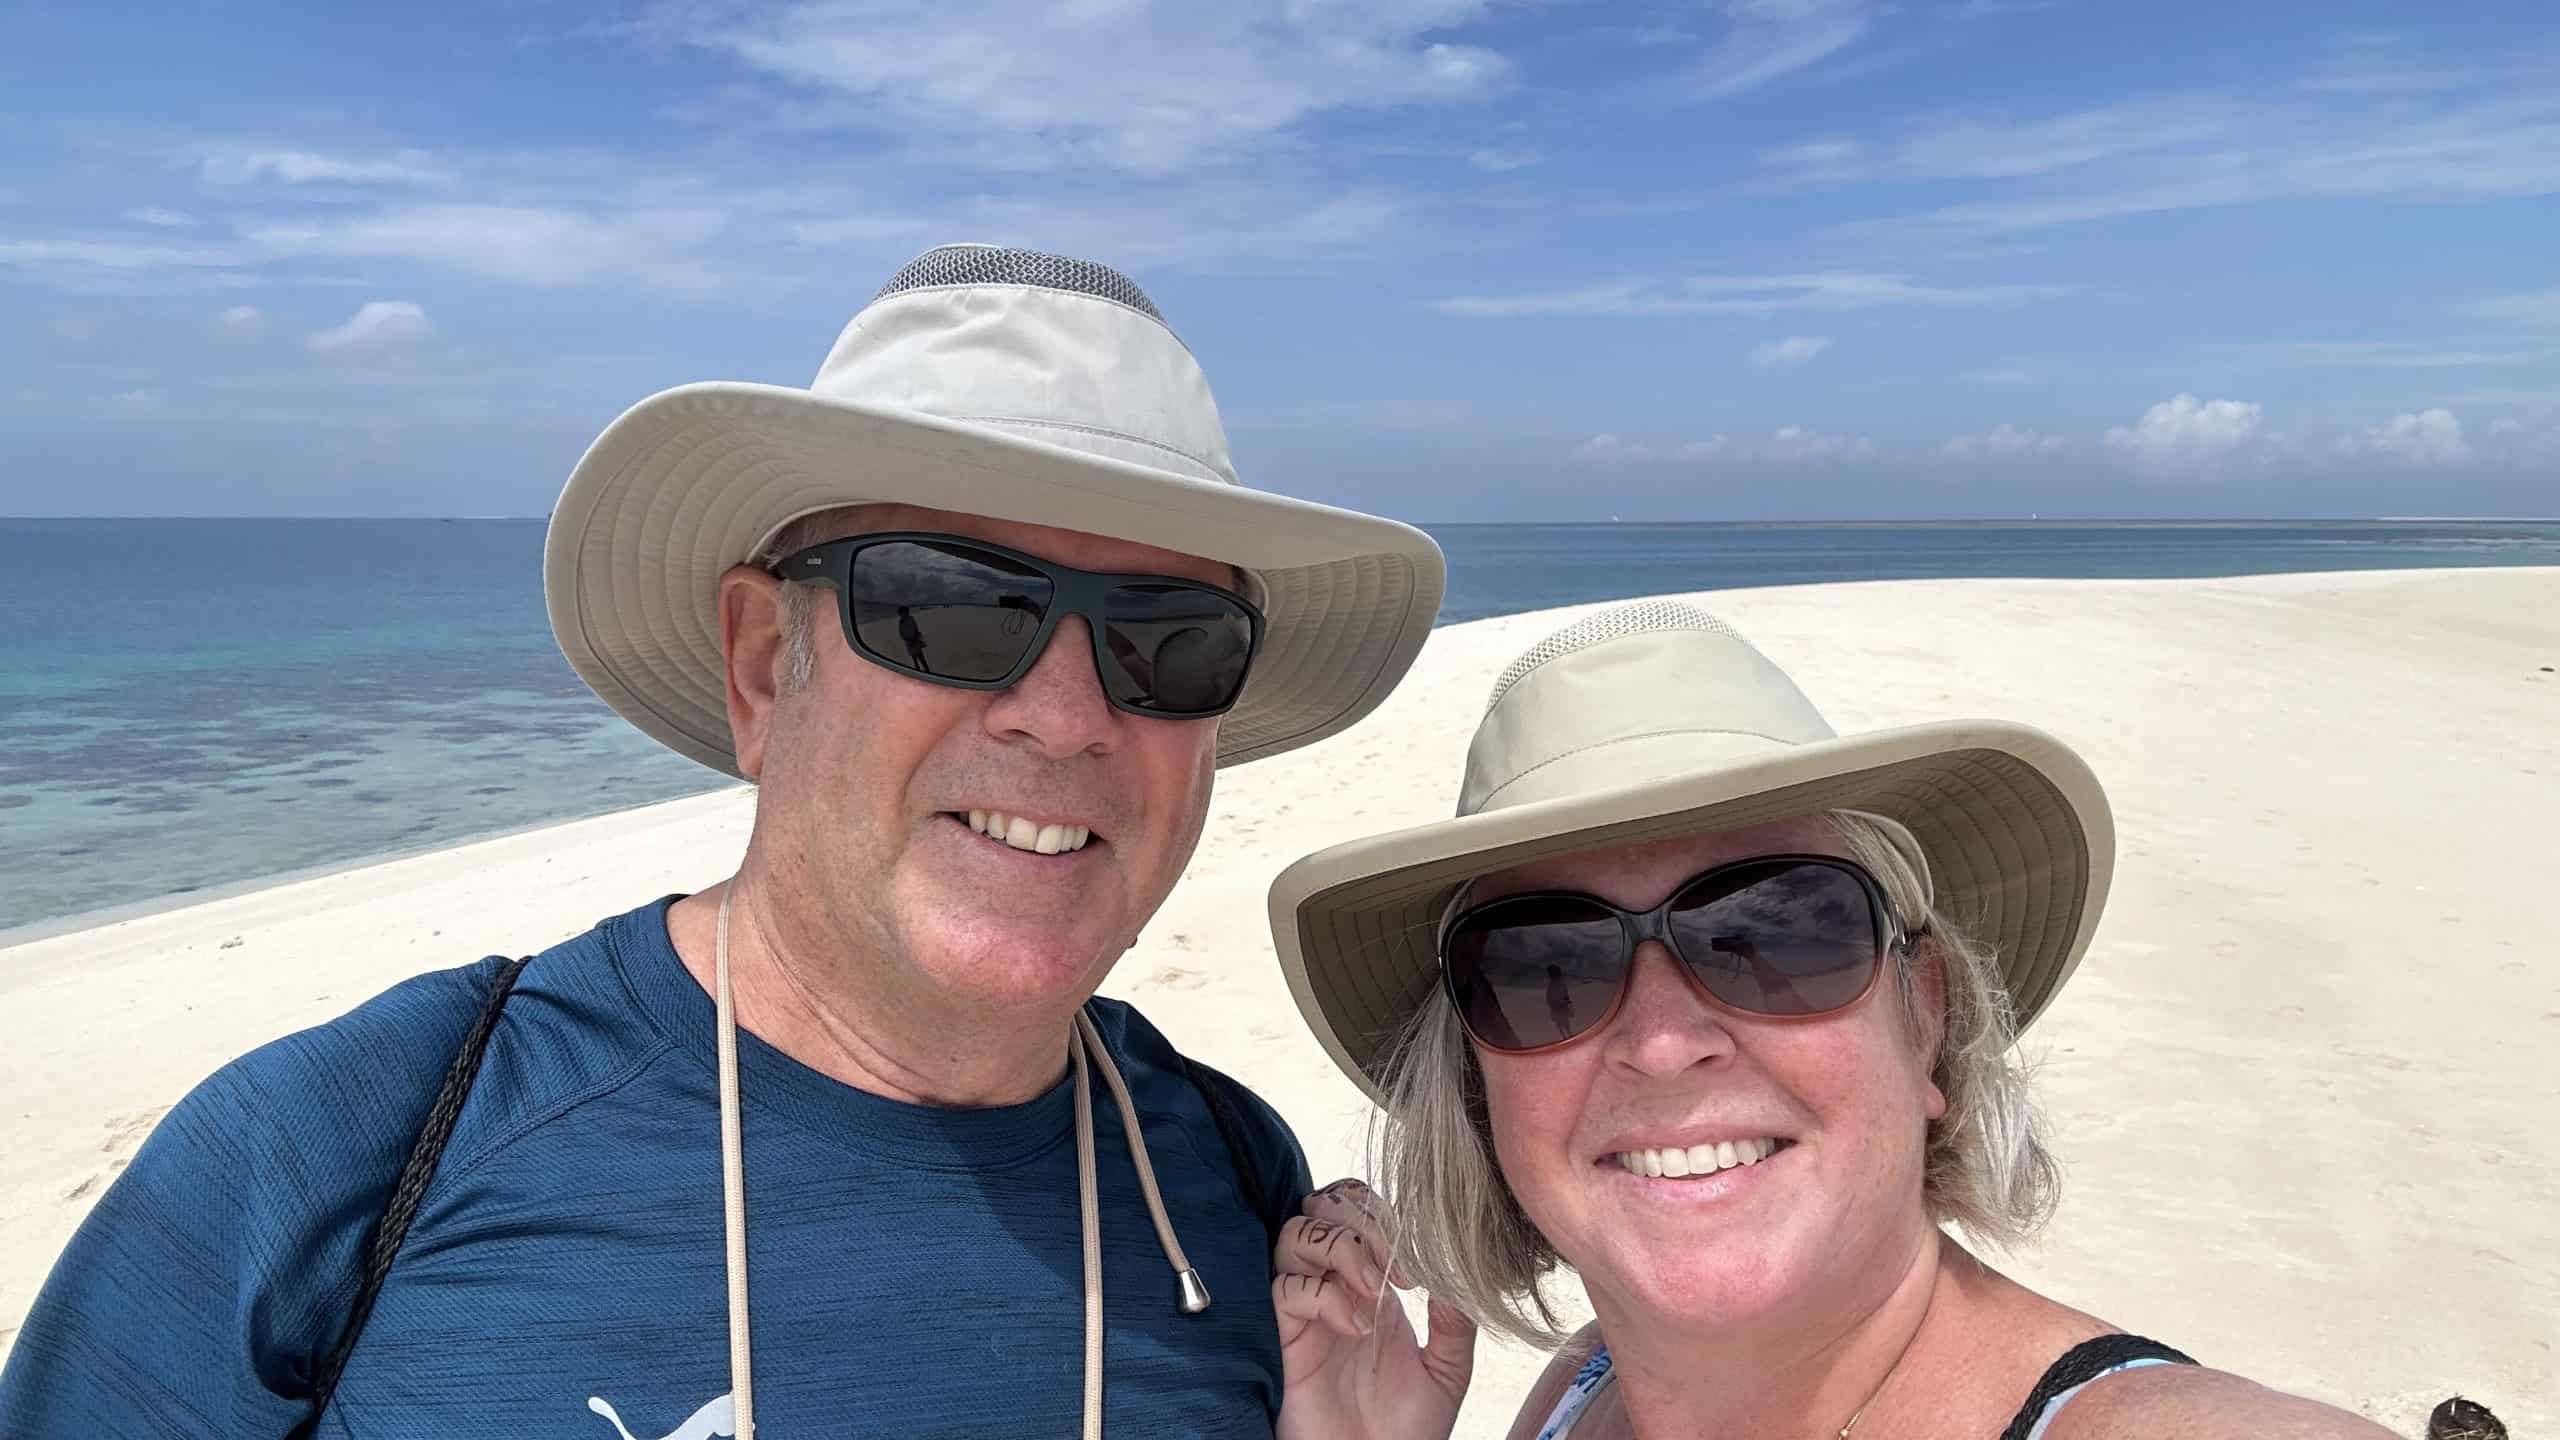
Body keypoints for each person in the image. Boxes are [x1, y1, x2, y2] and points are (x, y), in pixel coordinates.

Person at [0, 244, 1446, 1438]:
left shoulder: (1219, 1176)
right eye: (950, 605)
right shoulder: (345, 1149)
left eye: (1171, 642)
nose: (1066, 716)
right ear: (765, 665)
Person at [1260, 601, 2395, 1439]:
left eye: (1777, 932)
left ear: (1927, 1019)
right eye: (1544, 965)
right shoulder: (1581, 1393)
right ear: (1476, 1083)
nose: (1663, 1041)